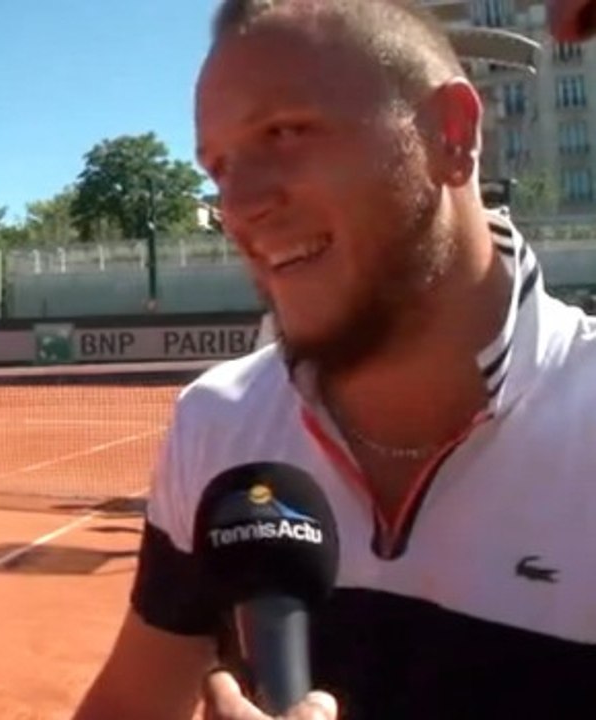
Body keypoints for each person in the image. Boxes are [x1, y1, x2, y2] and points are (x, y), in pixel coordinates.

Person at [73, 1, 596, 719]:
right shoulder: (217, 420)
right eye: (219, 167)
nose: (240, 204)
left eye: (284, 132)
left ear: (451, 135)